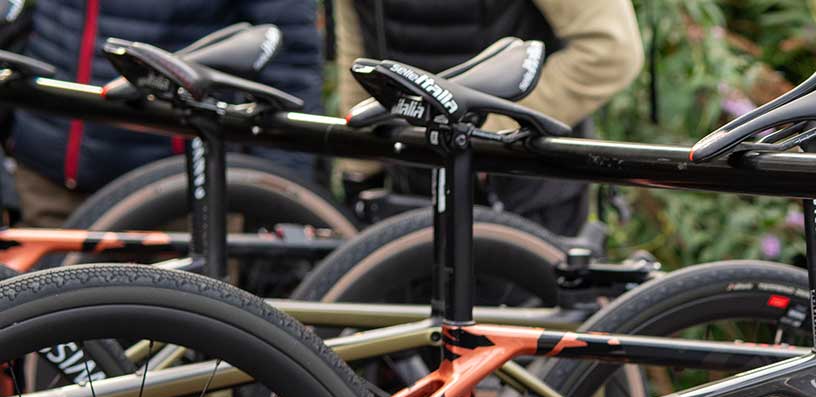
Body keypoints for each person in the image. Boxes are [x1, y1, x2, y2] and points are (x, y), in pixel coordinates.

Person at [332, 0, 643, 235]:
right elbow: (359, 42)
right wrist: (359, 165)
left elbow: (610, 51)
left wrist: (490, 131)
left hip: (518, 189)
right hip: (409, 182)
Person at [7, 0, 321, 225]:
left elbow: (289, 53)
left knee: (188, 315)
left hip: (180, 196)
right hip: (49, 178)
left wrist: (280, 205)